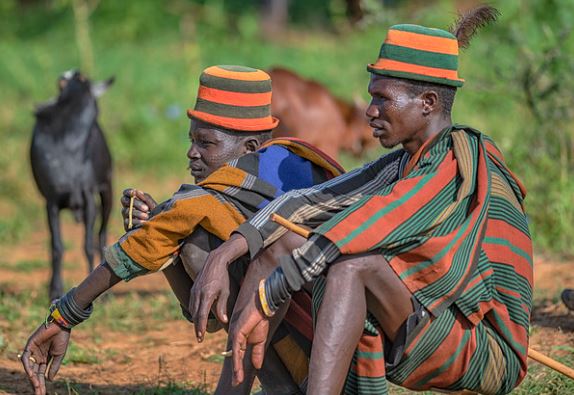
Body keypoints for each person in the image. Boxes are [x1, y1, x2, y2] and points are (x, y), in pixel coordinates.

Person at [195, 13, 534, 395]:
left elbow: (373, 221)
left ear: (427, 102)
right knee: (285, 241)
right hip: (432, 320)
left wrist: (269, 294)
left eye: (382, 98)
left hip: (484, 347)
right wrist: (223, 255)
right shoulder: (401, 163)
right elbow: (306, 202)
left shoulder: (456, 161)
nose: (370, 110)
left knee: (353, 265)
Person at [20, 65, 344, 395]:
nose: (192, 153)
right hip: (342, 357)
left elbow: (161, 233)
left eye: (206, 143)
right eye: (192, 140)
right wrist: (163, 229)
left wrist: (62, 317)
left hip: (319, 362)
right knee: (195, 240)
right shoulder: (291, 160)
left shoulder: (210, 196)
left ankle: (267, 388)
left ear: (249, 147)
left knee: (204, 242)